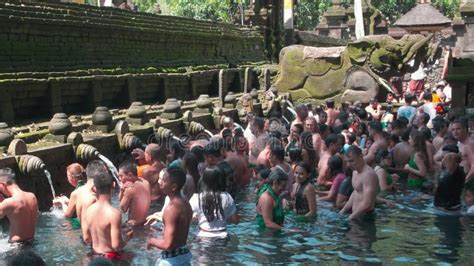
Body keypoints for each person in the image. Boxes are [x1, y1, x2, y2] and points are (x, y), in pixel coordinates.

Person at [147, 167, 193, 265]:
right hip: (184, 255)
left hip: (172, 260)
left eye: (164, 180)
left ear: (173, 186)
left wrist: (151, 241)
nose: (160, 182)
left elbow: (167, 244)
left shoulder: (171, 208)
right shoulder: (185, 203)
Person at [82, 173, 133, 260]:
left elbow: (86, 238)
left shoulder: (88, 210)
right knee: (135, 256)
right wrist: (127, 237)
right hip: (110, 259)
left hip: (94, 256)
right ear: (113, 185)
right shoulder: (114, 214)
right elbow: (116, 245)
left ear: (95, 187)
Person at [189, 166, 239, 238]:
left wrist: (194, 218)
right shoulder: (227, 197)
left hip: (203, 237)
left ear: (204, 180)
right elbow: (236, 221)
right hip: (223, 237)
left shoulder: (196, 198)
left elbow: (186, 220)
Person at [0, 168, 38, 243]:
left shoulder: (9, 202)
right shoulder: (32, 196)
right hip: (32, 242)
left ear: (2, 184)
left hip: (16, 248)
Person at [340, 146, 378, 220]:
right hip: (355, 215)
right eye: (347, 161)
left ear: (361, 156)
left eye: (351, 161)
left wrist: (350, 218)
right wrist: (343, 210)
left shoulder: (368, 175)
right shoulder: (354, 172)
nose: (348, 165)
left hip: (365, 217)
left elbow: (367, 203)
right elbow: (356, 192)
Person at [451, 118, 474, 184]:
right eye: (453, 130)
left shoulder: (469, 145)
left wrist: (464, 181)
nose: (455, 132)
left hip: (469, 181)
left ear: (465, 129)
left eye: (458, 129)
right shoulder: (458, 143)